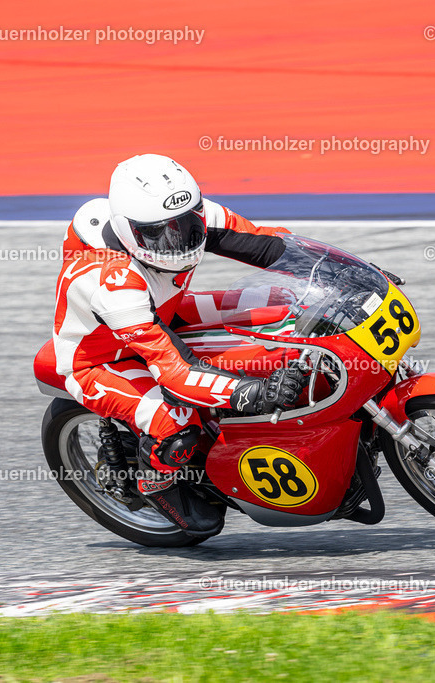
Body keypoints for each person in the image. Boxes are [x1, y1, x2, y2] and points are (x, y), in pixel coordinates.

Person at [52, 154, 306, 537]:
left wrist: (345, 271)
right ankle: (156, 484)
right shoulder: (112, 281)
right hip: (102, 358)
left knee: (278, 300)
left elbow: (267, 243)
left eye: (187, 226)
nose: (178, 242)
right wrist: (251, 393)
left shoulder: (194, 214)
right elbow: (176, 374)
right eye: (159, 234)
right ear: (126, 230)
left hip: (161, 315)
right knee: (176, 421)